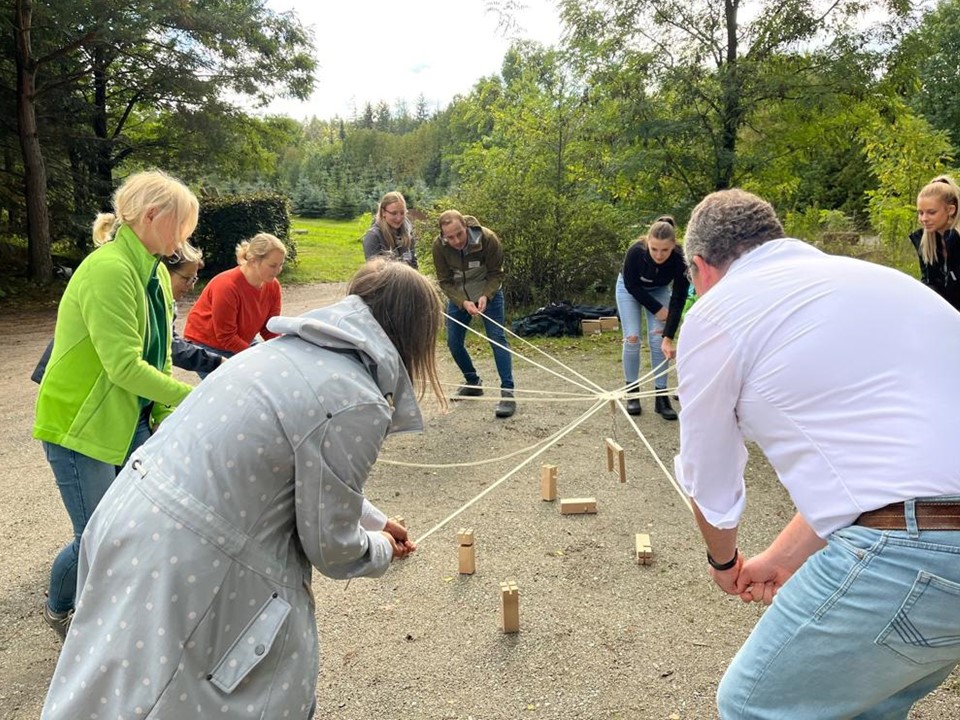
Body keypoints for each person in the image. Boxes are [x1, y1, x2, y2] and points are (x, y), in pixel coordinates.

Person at [40, 258, 446, 719]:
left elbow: (309, 469)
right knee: (198, 699)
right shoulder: (356, 397)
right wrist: (380, 549)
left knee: (106, 692)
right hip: (189, 559)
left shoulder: (285, 352)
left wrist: (375, 519)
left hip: (131, 522)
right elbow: (332, 548)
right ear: (413, 332)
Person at [674, 188, 960, 719]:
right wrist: (781, 559)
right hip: (931, 549)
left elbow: (708, 479)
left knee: (753, 704)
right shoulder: (879, 283)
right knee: (862, 707)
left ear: (700, 268)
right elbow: (890, 473)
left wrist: (724, 561)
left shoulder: (719, 310)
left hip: (917, 555)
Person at [32, 169, 198, 639]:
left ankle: (114, 613)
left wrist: (166, 412)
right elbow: (123, 366)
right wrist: (196, 397)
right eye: (181, 226)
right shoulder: (109, 269)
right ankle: (62, 608)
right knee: (99, 537)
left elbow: (159, 355)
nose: (185, 237)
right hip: (80, 427)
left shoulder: (155, 275)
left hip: (130, 421)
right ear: (151, 217)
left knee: (136, 525)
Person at [433, 210, 516, 418]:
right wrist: (462, 302)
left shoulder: (488, 239)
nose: (456, 240)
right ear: (443, 236)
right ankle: (472, 382)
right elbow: (444, 281)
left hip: (489, 293)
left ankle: (507, 393)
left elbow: (497, 273)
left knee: (497, 338)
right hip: (460, 297)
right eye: (449, 237)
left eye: (459, 234)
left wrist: (486, 296)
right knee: (453, 342)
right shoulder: (439, 247)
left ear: (466, 227)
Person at [615, 216, 689, 419]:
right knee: (632, 338)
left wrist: (669, 335)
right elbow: (632, 286)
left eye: (665, 250)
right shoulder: (635, 252)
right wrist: (657, 309)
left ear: (673, 246)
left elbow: (679, 297)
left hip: (659, 290)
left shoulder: (681, 259)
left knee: (658, 340)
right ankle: (632, 392)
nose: (659, 255)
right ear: (647, 242)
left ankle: (661, 396)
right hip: (629, 290)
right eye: (654, 249)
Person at [183, 232, 286, 373]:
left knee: (269, 372)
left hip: (240, 339)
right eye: (273, 265)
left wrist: (282, 351)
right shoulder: (227, 286)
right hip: (207, 344)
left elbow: (269, 328)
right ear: (254, 260)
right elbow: (226, 336)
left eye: (281, 265)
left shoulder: (273, 286)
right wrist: (256, 357)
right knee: (235, 386)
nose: (278, 271)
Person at [160, 247, 225, 375]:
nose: (192, 286)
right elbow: (169, 346)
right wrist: (216, 361)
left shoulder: (168, 302)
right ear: (164, 271)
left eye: (194, 279)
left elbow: (170, 341)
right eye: (187, 278)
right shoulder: (150, 304)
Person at [910, 175, 960, 312]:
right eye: (920, 213)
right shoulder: (925, 243)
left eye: (931, 212)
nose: (924, 219)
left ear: (951, 210)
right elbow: (929, 285)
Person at [362, 190, 418, 267]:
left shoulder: (408, 232)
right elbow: (374, 272)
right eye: (394, 213)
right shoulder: (373, 237)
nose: (399, 218)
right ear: (383, 212)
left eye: (402, 213)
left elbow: (413, 264)